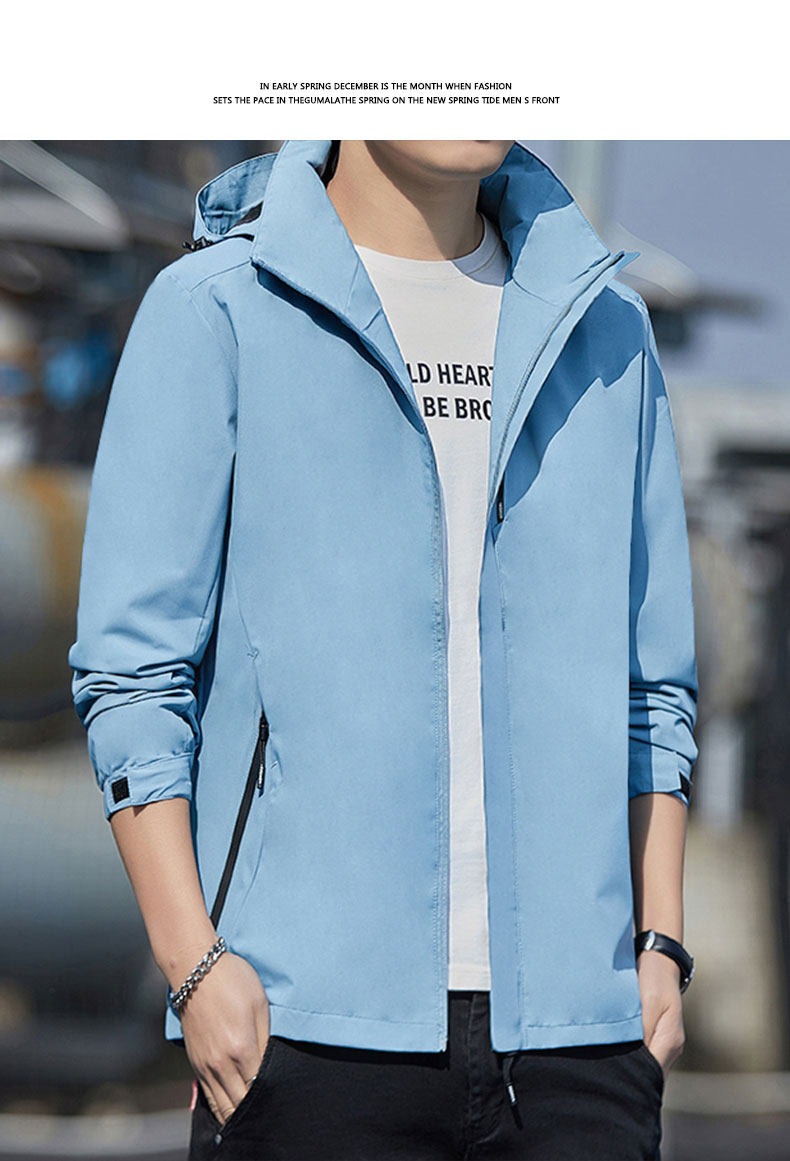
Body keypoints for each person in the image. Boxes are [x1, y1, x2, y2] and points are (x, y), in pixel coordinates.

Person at [68, 139, 698, 1161]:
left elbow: (652, 685)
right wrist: (194, 967)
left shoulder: (606, 327)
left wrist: (658, 946)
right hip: (302, 1034)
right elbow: (133, 675)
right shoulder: (218, 309)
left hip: (580, 1048)